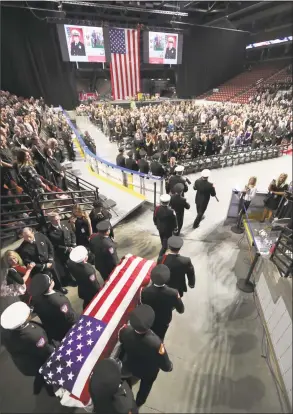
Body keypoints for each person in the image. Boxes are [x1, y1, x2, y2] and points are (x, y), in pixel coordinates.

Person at [119, 305, 173, 408]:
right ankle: (139, 401)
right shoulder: (156, 343)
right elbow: (164, 362)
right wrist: (169, 367)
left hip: (131, 366)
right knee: (146, 386)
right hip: (148, 371)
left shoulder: (125, 332)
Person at [1, 302, 55, 396]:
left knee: (38, 375)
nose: (30, 312)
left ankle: (37, 387)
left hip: (26, 364)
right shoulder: (33, 336)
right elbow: (46, 351)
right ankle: (50, 391)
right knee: (45, 376)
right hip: (38, 362)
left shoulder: (5, 333)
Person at [17, 227, 68, 294]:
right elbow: (27, 261)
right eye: (25, 237)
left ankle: (60, 287)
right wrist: (43, 266)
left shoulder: (40, 236)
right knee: (46, 282)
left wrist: (51, 259)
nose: (28, 239)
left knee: (56, 276)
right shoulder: (23, 248)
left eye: (29, 236)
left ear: (32, 232)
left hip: (49, 261)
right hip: (40, 267)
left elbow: (50, 247)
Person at [29, 273, 78, 341]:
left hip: (54, 330)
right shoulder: (59, 301)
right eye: (51, 280)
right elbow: (69, 318)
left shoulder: (35, 299)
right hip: (66, 330)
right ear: (49, 286)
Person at [140, 264, 184, 340]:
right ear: (167, 278)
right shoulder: (174, 293)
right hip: (164, 321)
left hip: (149, 320)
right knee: (160, 338)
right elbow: (181, 310)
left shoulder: (144, 291)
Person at [47, 211, 77, 286]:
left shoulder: (64, 224)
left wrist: (73, 245)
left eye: (58, 219)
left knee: (76, 265)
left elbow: (72, 234)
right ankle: (72, 280)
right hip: (63, 253)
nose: (58, 221)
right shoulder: (50, 232)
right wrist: (66, 248)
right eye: (55, 220)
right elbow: (54, 245)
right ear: (51, 221)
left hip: (72, 249)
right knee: (67, 267)